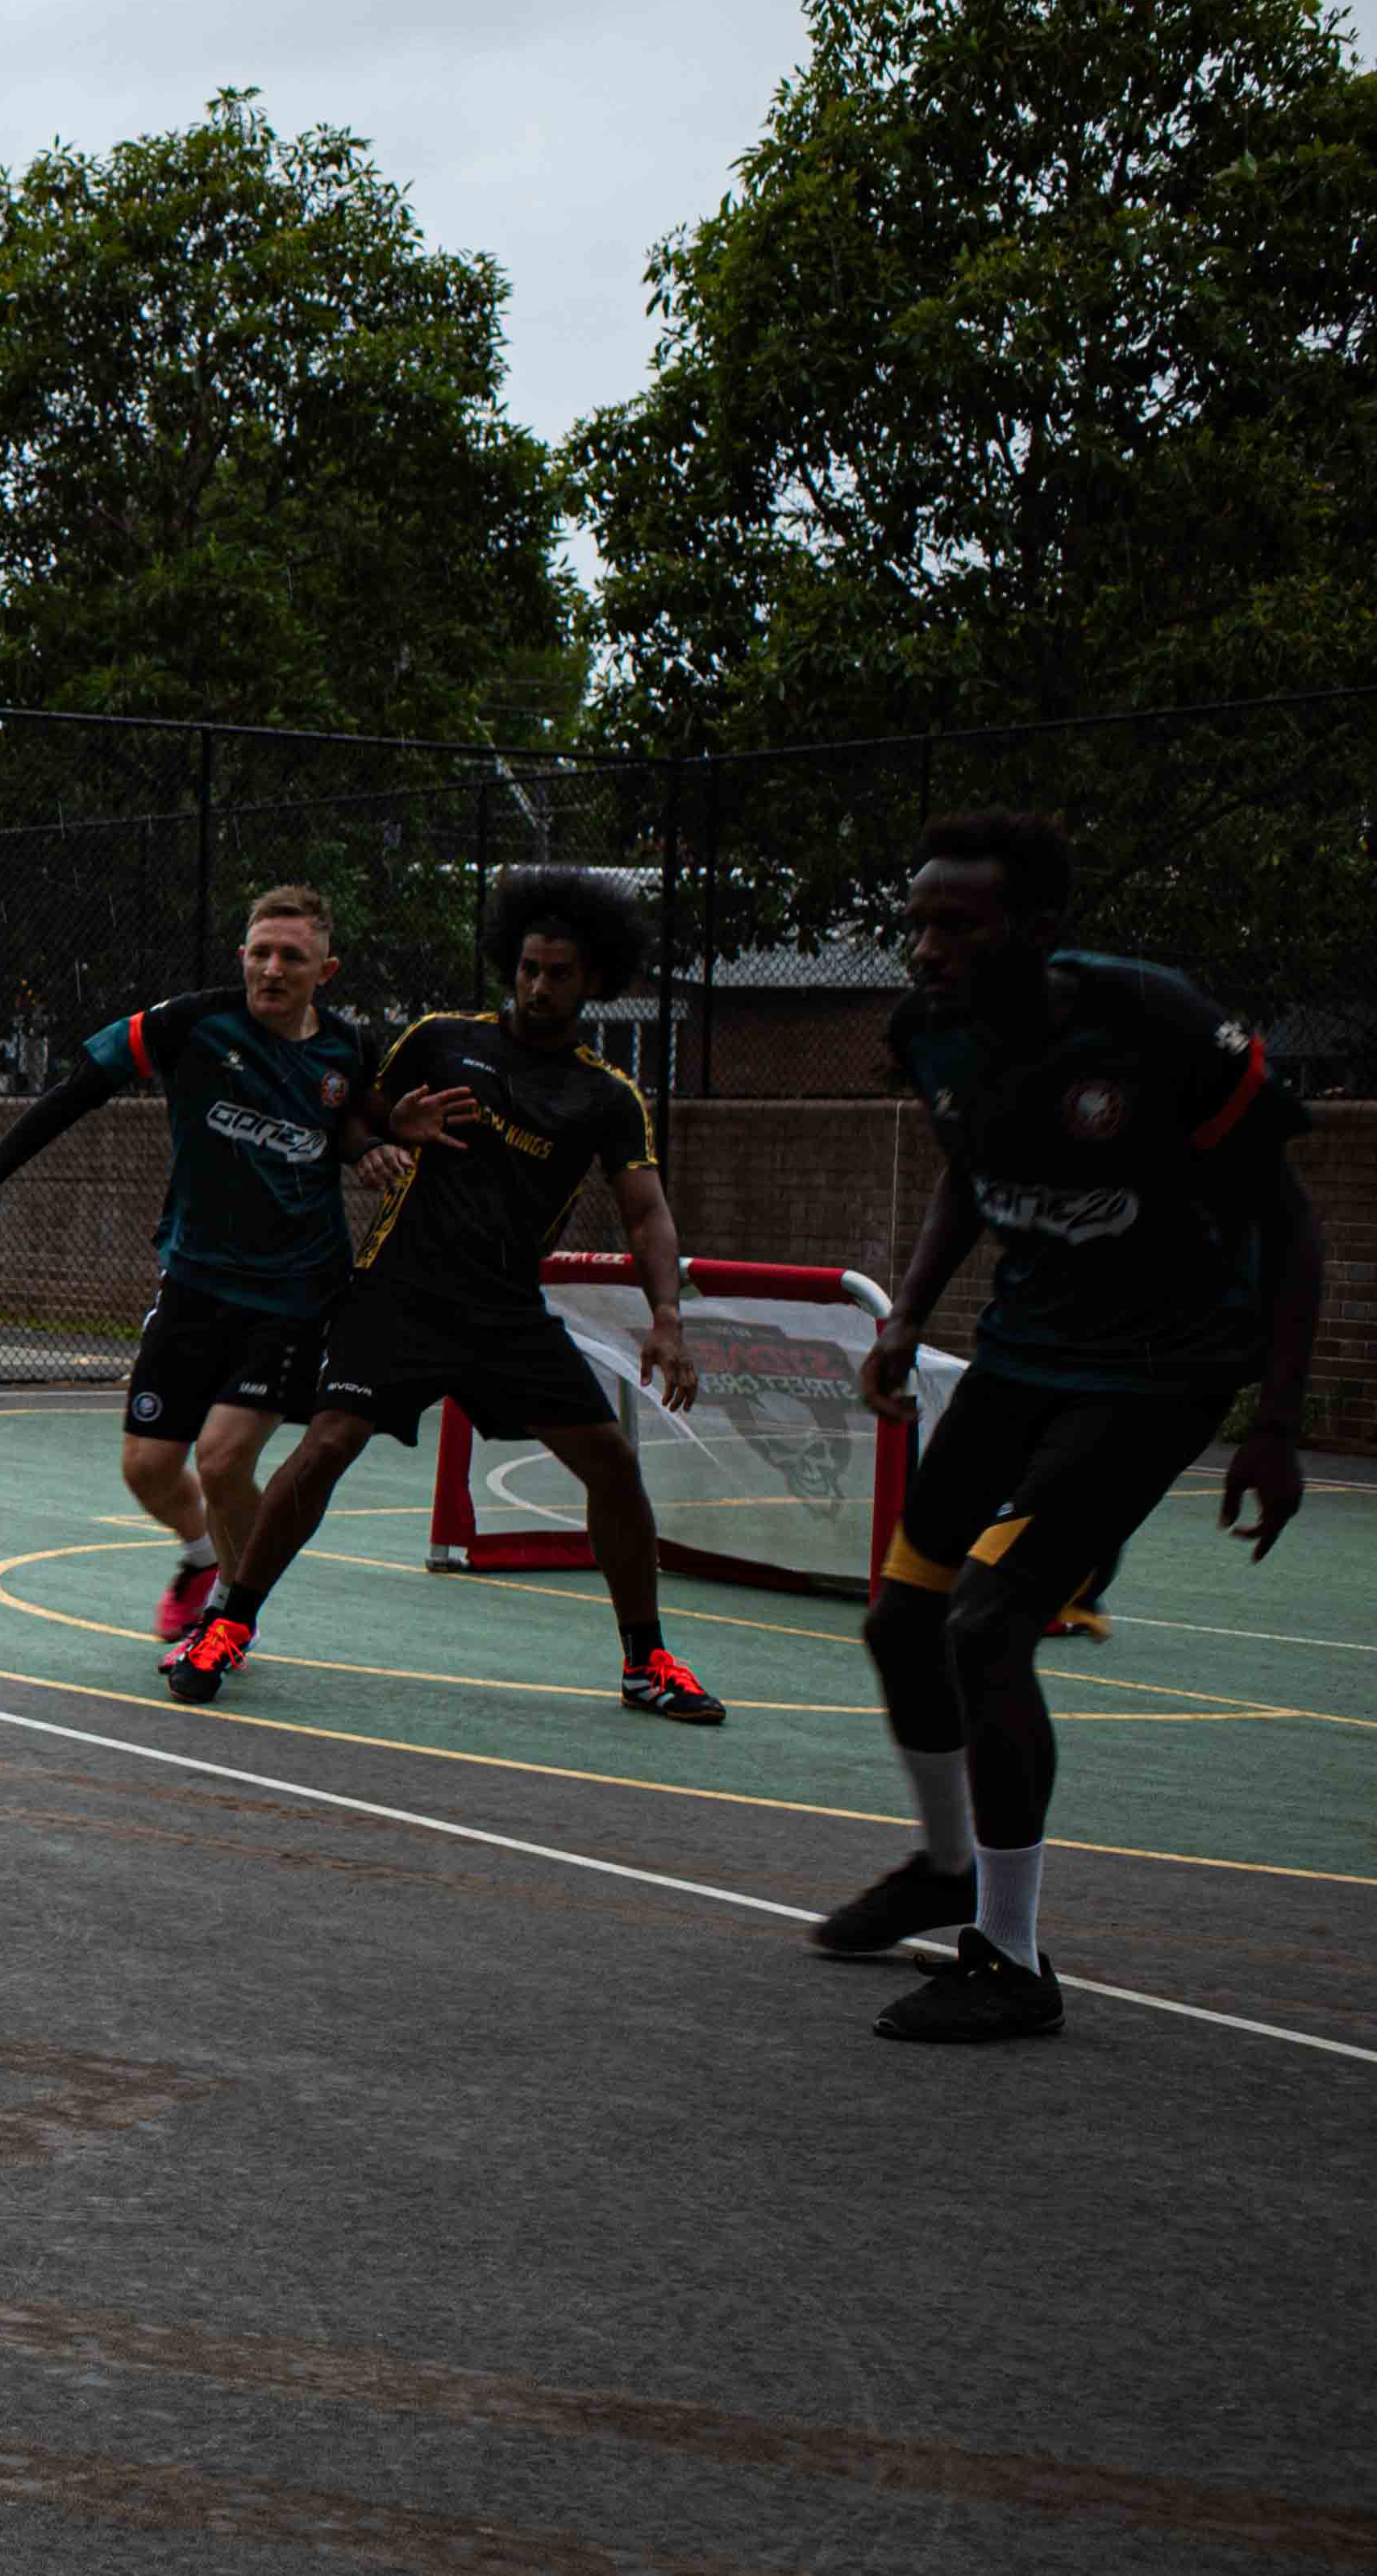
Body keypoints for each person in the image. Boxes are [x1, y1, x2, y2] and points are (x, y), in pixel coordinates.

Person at [809, 811, 1317, 2042]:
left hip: (1158, 1375)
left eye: (956, 926)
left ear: (1037, 932)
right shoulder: (932, 1034)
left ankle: (1012, 1960)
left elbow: (1291, 1229)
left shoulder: (1155, 1028)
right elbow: (964, 1174)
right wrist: (907, 1318)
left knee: (989, 1627)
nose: (925, 949)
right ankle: (947, 1866)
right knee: (901, 1626)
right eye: (916, 922)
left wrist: (1278, 1425)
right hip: (1023, 1359)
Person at [164, 866, 727, 1722]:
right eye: (529, 968)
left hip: (506, 1313)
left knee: (612, 1461)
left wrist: (667, 1318)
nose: (539, 986)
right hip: (400, 1293)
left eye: (560, 973)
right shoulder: (441, 1039)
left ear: (596, 981)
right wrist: (390, 1129)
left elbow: (646, 1212)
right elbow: (354, 1118)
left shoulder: (604, 1097)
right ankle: (229, 1625)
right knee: (324, 1446)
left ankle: (645, 1661)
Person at [0, 886, 396, 1647]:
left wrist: (372, 1146)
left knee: (222, 1458)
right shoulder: (192, 1024)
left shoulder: (347, 1049)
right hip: (196, 1281)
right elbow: (80, 1088)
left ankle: (230, 1620)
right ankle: (203, 1557)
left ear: (325, 969)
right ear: (242, 956)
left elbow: (349, 1124)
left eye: (292, 958)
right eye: (261, 954)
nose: (272, 969)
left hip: (296, 1292)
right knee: (147, 1467)